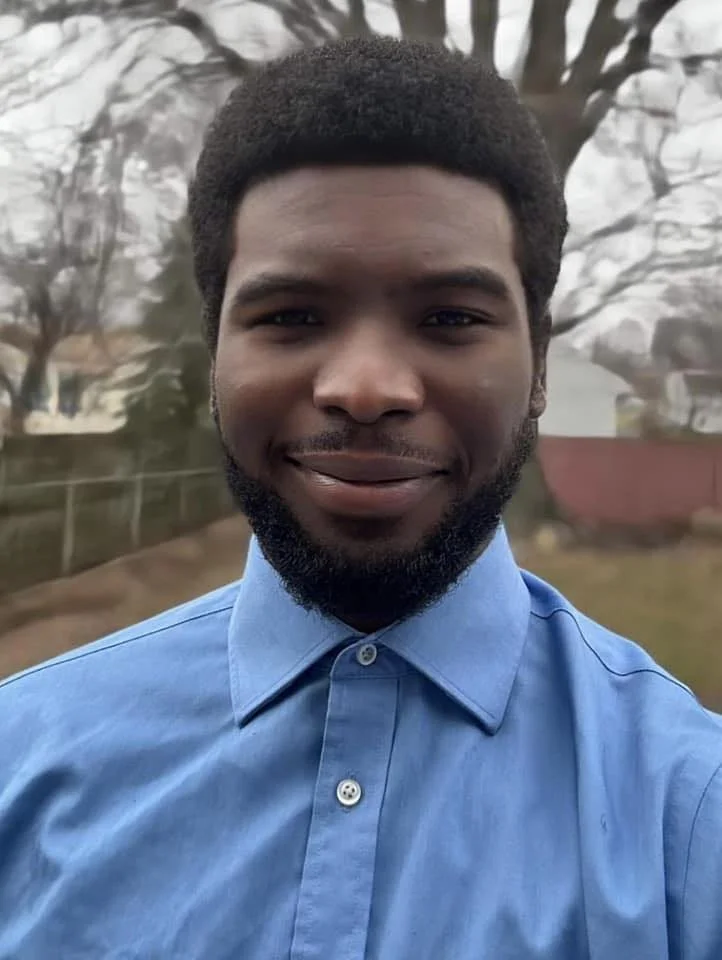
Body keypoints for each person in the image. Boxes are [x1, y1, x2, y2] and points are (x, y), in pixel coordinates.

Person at [0, 36, 720, 960]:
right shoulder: (25, 765)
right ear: (215, 357)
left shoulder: (689, 816)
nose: (368, 387)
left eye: (450, 319)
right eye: (292, 316)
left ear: (539, 362)